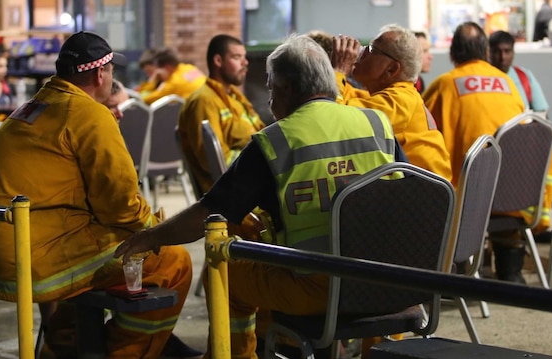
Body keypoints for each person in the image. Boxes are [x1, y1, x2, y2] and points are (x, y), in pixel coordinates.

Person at [115, 34, 401, 359]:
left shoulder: (276, 141)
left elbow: (210, 213)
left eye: (270, 87)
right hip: (388, 283)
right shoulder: (377, 124)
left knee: (225, 272)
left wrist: (150, 237)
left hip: (319, 289)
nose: (269, 99)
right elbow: (411, 196)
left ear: (288, 88)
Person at [0, 31, 192, 359]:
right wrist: (155, 230)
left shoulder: (30, 109)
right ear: (100, 73)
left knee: (99, 262)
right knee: (173, 261)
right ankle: (125, 353)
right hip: (35, 256)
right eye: (112, 71)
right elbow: (121, 207)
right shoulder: (89, 114)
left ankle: (60, 348)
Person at [423, 22, 526, 282]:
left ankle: (455, 274)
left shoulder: (443, 86)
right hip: (511, 195)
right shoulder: (508, 83)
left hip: (465, 201)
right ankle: (510, 271)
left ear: (452, 54)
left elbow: (423, 140)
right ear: (486, 52)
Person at [330, 24, 452, 181]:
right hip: (409, 190)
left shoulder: (400, 100)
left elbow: (335, 120)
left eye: (372, 50)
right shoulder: (390, 96)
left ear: (391, 69)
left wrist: (339, 71)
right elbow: (347, 99)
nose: (363, 52)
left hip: (424, 197)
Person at [489, 30, 552, 233]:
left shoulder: (524, 77)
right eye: (497, 52)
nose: (502, 57)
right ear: (488, 52)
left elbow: (541, 112)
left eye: (507, 51)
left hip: (524, 144)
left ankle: (539, 221)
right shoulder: (484, 78)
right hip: (493, 147)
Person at [177, 34, 265, 194]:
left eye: (244, 57)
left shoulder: (234, 98)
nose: (245, 63)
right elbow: (215, 162)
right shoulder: (204, 101)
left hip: (252, 184)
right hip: (236, 195)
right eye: (237, 57)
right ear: (218, 61)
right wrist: (261, 162)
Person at [141, 47, 206, 105]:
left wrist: (152, 81)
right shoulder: (189, 68)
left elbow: (146, 99)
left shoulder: (173, 82)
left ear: (167, 67)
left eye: (158, 69)